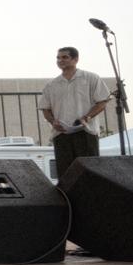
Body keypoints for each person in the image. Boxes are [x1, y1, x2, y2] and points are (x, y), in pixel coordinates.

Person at [39, 46, 111, 178]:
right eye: (58, 58)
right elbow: (45, 109)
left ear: (75, 59)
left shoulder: (91, 78)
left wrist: (87, 117)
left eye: (65, 57)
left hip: (86, 132)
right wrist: (52, 121)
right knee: (66, 175)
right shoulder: (51, 84)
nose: (60, 60)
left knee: (89, 174)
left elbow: (102, 102)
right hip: (61, 134)